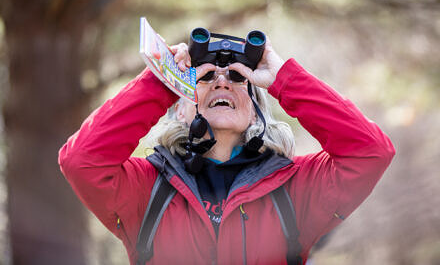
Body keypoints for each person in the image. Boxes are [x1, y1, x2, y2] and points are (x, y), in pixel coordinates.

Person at [59, 36, 395, 264]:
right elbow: (82, 160)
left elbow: (370, 152)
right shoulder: (147, 189)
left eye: (236, 77)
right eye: (204, 79)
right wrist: (158, 82)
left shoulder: (294, 188)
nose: (222, 82)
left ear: (255, 109)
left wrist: (285, 80)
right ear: (179, 108)